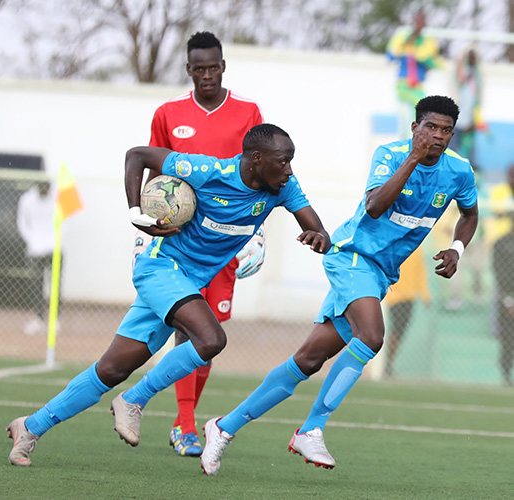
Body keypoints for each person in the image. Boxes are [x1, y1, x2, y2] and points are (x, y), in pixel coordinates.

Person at [6, 123, 331, 467]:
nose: (289, 170)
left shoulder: (282, 187)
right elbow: (138, 156)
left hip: (185, 285)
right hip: (160, 269)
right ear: (256, 158)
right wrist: (136, 213)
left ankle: (29, 427)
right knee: (210, 339)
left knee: (112, 369)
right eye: (283, 161)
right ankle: (133, 400)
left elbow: (314, 225)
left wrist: (319, 236)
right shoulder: (207, 171)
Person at [200, 95, 480, 476]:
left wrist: (457, 248)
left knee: (308, 360)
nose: (438, 136)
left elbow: (470, 212)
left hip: (379, 274)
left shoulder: (459, 171)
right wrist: (413, 158)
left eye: (445, 130)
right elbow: (375, 206)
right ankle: (312, 428)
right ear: (415, 128)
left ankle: (223, 426)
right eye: (430, 127)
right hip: (351, 257)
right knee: (372, 334)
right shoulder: (391, 154)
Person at [139, 30, 265, 457]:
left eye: (214, 67)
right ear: (189, 69)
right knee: (185, 328)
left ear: (223, 66)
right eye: (199, 68)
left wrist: (258, 233)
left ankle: (182, 417)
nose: (207, 75)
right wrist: (150, 223)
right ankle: (186, 423)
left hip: (227, 244)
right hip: (181, 244)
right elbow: (155, 177)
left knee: (211, 333)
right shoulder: (168, 113)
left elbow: (263, 175)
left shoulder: (248, 113)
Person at [386, 10, 443, 135]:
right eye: (418, 20)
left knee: (420, 114)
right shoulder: (402, 37)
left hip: (418, 84)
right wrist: (407, 42)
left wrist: (422, 58)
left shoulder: (429, 42)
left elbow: (437, 63)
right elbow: (390, 56)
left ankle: (415, 142)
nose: (420, 24)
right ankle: (405, 143)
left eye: (422, 21)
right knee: (405, 116)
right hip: (403, 83)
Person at [382, 247, 431, 378]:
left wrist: (425, 295)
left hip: (409, 297)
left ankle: (388, 365)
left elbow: (420, 271)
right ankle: (386, 364)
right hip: (394, 296)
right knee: (394, 331)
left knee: (399, 333)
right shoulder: (396, 243)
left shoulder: (418, 247)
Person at [16, 181, 57, 335]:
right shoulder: (27, 200)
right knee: (36, 284)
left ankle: (55, 319)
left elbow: (65, 221)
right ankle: (39, 318)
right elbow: (22, 222)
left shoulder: (58, 199)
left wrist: (56, 242)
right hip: (35, 249)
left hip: (54, 248)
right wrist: (32, 240)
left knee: (55, 285)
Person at [488, 164, 514, 386]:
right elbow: (498, 272)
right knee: (507, 338)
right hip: (507, 298)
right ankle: (505, 374)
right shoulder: (502, 244)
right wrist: (508, 298)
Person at [451, 46, 486, 160]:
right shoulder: (460, 72)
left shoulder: (478, 75)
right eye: (469, 56)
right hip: (457, 120)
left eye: (473, 57)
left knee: (469, 149)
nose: (471, 59)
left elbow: (477, 99)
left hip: (471, 120)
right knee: (453, 148)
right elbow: (456, 89)